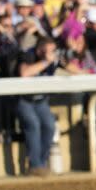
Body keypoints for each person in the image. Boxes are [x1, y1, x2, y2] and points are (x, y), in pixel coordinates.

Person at [17, 36, 58, 176]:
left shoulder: (54, 58)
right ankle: (35, 166)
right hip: (24, 100)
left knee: (49, 125)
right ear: (41, 50)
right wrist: (46, 61)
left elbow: (69, 66)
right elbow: (24, 73)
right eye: (50, 50)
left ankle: (41, 164)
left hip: (41, 101)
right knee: (33, 124)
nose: (53, 53)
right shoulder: (28, 54)